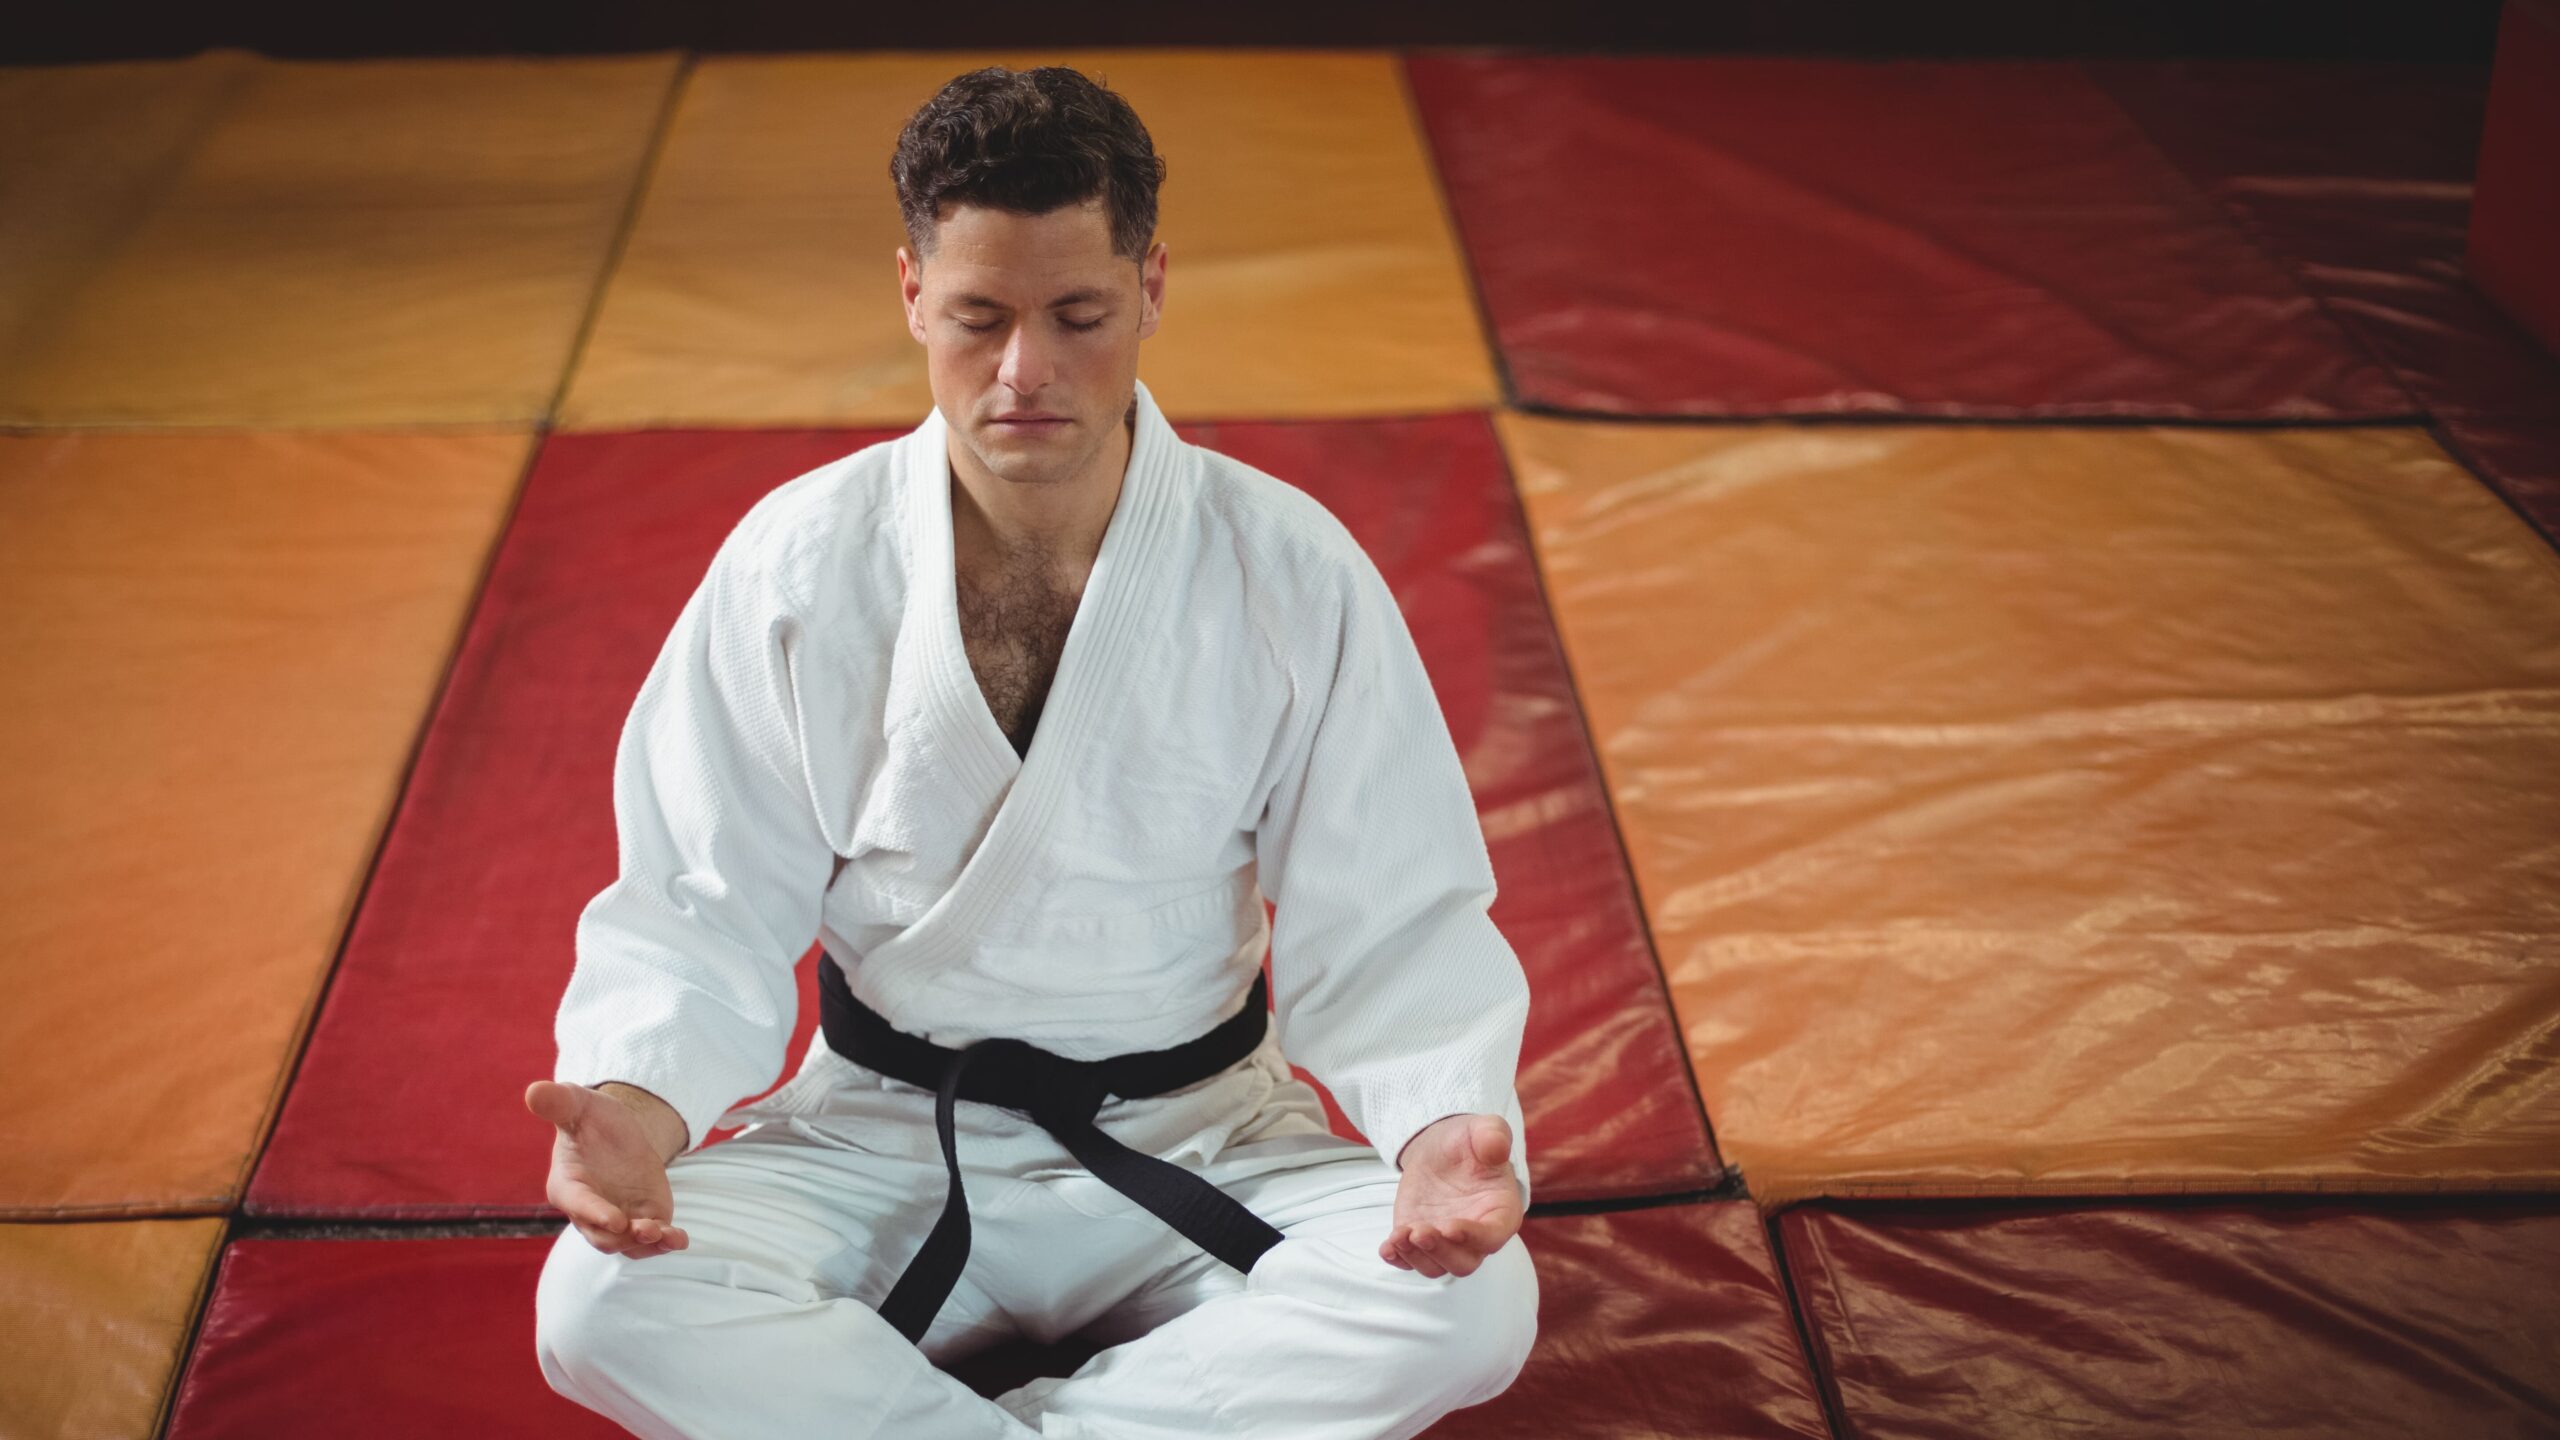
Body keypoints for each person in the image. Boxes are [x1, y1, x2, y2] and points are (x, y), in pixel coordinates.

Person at [523, 64, 1538, 1439]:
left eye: (1078, 317)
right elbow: (699, 901)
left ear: (1152, 285)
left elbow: (1396, 918)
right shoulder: (800, 563)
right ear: (909, 294)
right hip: (880, 1133)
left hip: (1205, 1130)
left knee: (1471, 1308)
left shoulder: (1285, 566)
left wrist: (1435, 1138)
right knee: (598, 1309)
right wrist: (639, 1111)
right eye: (977, 319)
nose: (1025, 375)